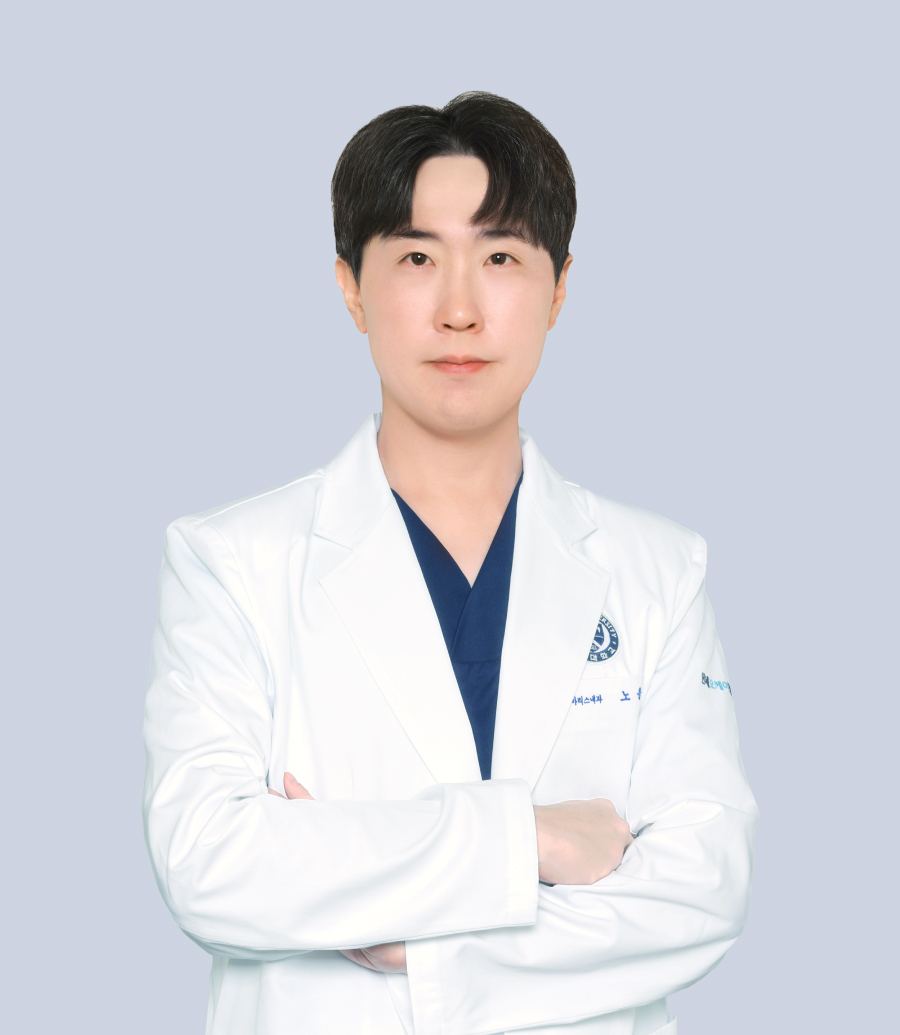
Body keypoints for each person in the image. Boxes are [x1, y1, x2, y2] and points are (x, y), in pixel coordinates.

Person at [143, 92, 757, 1035]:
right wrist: (530, 839)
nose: (460, 310)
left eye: (501, 258)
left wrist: (419, 935)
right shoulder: (231, 563)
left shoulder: (659, 571)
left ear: (559, 289)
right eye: (417, 258)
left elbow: (703, 887)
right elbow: (211, 865)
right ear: (351, 287)